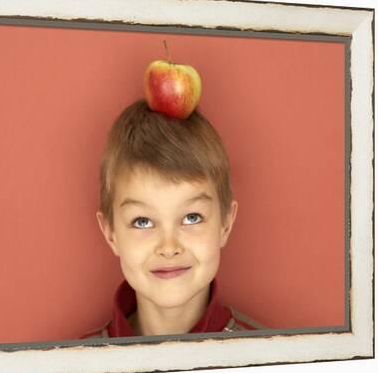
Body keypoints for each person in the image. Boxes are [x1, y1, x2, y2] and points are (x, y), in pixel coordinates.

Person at [80, 98, 265, 339]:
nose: (169, 248)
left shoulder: (272, 364)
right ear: (110, 232)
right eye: (142, 222)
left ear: (226, 223)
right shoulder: (75, 369)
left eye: (191, 217)